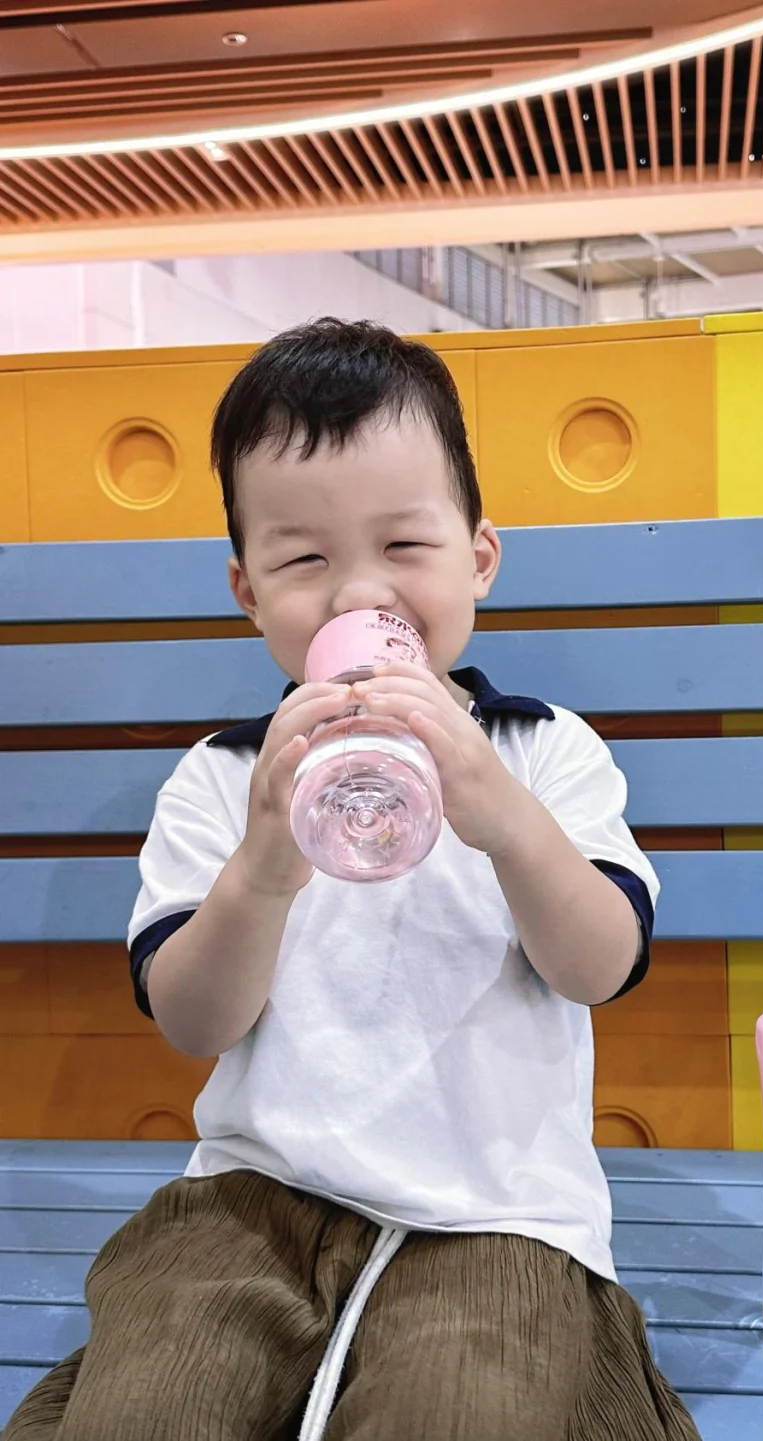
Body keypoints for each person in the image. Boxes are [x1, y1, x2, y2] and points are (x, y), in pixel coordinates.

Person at [4, 319, 701, 1441]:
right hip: (249, 1204)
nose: (357, 596)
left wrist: (500, 816)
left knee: (466, 1414)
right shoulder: (225, 777)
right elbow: (192, 1022)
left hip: (494, 1214)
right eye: (304, 560)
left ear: (479, 556)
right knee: (146, 1410)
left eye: (404, 545)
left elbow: (601, 966)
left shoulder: (540, 752)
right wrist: (263, 866)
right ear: (248, 590)